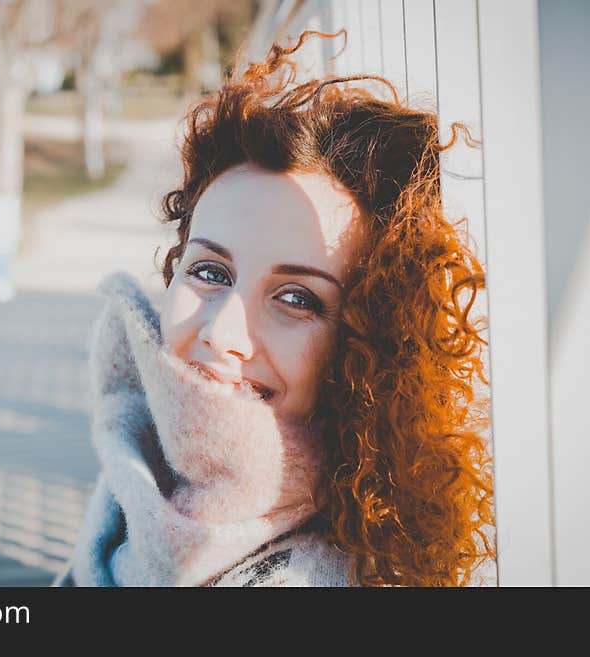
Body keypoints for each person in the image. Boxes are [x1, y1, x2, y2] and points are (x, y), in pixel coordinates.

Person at [54, 31, 496, 587]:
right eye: (210, 272)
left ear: (366, 341)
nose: (221, 332)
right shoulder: (137, 457)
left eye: (296, 299)